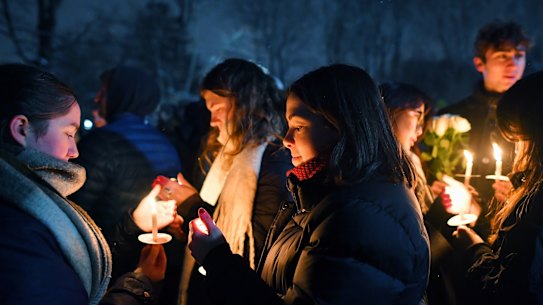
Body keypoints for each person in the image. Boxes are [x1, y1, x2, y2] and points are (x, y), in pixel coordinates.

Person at [186, 64, 430, 305]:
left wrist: (217, 259)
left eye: (299, 127)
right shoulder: (320, 196)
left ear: (339, 126)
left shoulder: (357, 217)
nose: (287, 139)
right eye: (289, 126)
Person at [0, 63, 178, 305]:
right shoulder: (20, 228)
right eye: (68, 134)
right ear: (21, 129)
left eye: (103, 92)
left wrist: (134, 222)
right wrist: (139, 284)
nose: (75, 152)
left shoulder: (32, 209)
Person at [155, 58, 292, 305]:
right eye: (209, 111)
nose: (212, 121)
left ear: (244, 104)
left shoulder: (273, 163)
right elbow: (218, 217)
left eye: (218, 109)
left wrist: (190, 204)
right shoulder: (227, 156)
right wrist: (188, 223)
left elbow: (256, 247)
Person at [69, 66, 184, 305]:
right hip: (158, 265)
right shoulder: (165, 143)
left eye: (104, 91)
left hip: (112, 271)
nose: (97, 98)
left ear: (123, 94)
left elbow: (77, 221)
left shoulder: (101, 143)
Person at [451, 70, 543, 305]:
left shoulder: (537, 201)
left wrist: (472, 249)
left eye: (520, 140)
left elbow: (508, 291)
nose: (517, 152)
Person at [438, 20, 532, 207]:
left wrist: (522, 191)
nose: (512, 65)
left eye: (519, 55)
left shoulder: (534, 115)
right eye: (502, 56)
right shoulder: (452, 117)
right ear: (480, 63)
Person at [380, 81, 436, 214]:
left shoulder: (412, 160)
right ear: (391, 111)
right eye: (417, 115)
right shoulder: (378, 169)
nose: (420, 130)